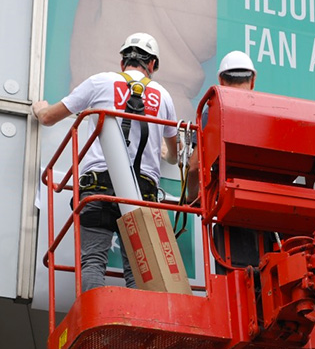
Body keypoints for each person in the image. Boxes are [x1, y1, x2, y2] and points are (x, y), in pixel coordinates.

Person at [33, 32, 179, 292]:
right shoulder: (164, 97)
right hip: (142, 194)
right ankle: (138, 325)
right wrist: (164, 155)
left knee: (93, 260)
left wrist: (40, 108)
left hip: (98, 188)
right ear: (152, 65)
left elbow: (48, 118)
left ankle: (95, 315)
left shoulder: (100, 82)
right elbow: (174, 153)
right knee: (138, 271)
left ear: (123, 61)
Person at [187, 51, 274, 273]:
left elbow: (196, 165)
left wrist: (192, 198)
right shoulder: (270, 110)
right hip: (268, 216)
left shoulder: (212, 112)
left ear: (221, 81)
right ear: (253, 80)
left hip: (230, 212)